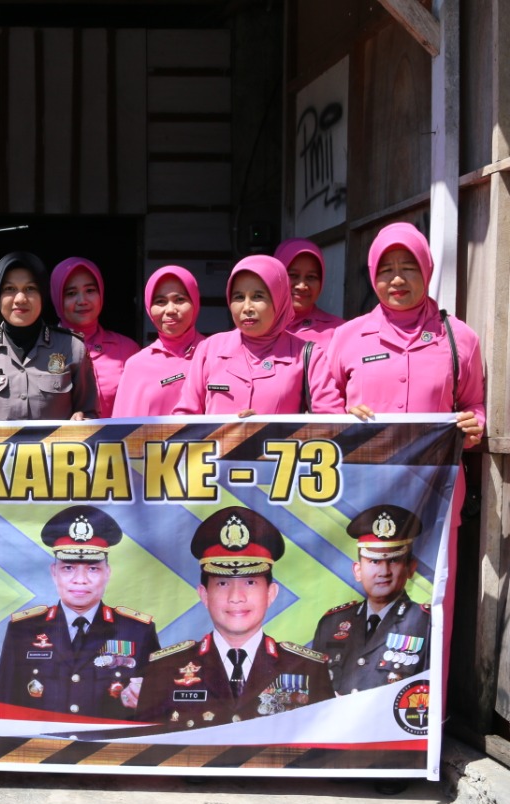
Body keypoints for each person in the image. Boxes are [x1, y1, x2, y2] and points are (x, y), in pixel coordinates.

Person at [310, 221, 484, 687]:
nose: (397, 279)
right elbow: (322, 408)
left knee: (433, 603)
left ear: (427, 270)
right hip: (362, 499)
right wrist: (344, 416)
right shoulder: (347, 337)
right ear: (372, 275)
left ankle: (427, 717)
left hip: (435, 499)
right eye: (386, 269)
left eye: (409, 267)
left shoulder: (458, 338)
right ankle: (353, 708)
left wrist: (474, 426)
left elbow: (474, 404)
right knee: (359, 604)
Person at [136, 507, 334, 728]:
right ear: (204, 595)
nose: (236, 597)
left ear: (271, 594)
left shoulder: (308, 669)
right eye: (222, 583)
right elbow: (144, 746)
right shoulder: (165, 669)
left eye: (250, 582)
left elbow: (325, 746)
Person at [0, 505, 159, 720]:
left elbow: (155, 711)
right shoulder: (23, 630)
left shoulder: (138, 631)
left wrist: (144, 702)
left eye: (93, 568)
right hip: (41, 741)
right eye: (68, 568)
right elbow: (4, 710)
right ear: (54, 573)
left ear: (107, 573)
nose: (80, 580)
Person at [0, 252, 99, 421]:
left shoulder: (72, 348)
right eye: (9, 289)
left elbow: (90, 413)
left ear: (43, 294)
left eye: (30, 288)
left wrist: (84, 419)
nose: (20, 299)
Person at [173, 254, 318, 416]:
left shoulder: (308, 355)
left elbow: (331, 422)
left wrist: (261, 427)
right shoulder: (209, 349)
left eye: (258, 296)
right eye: (239, 297)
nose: (247, 307)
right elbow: (185, 416)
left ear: (279, 299)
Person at [311, 505, 430, 694]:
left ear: (411, 568)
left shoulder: (427, 623)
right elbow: (315, 693)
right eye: (374, 561)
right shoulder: (331, 624)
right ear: (358, 570)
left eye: (393, 560)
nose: (383, 572)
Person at [50, 257, 140, 418]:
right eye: (71, 293)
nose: (82, 301)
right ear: (57, 298)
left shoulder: (127, 349)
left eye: (90, 290)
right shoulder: (42, 348)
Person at [111, 265, 206, 417]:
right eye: (160, 301)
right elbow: (123, 428)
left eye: (180, 299)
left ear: (195, 302)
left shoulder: (214, 355)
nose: (170, 310)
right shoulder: (137, 365)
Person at [275, 238, 344, 345]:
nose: (302, 286)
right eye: (293, 275)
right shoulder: (256, 329)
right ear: (276, 277)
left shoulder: (340, 331)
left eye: (311, 277)